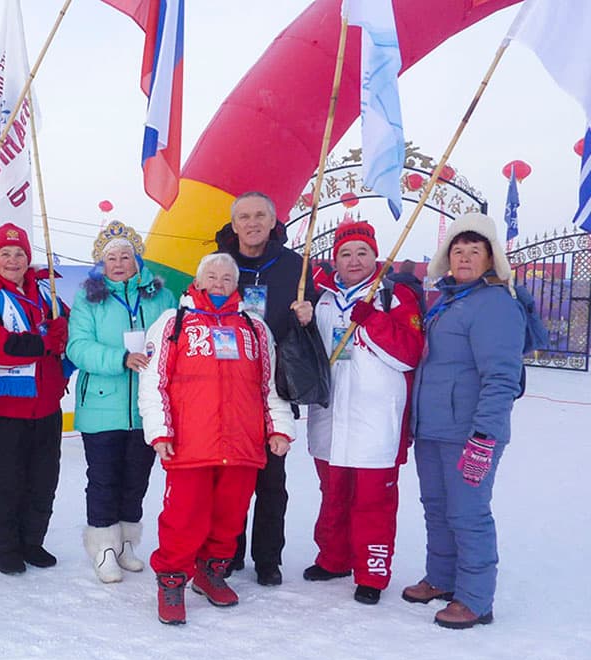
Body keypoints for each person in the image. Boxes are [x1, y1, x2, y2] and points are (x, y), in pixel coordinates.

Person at [138, 253, 295, 625]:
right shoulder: (173, 322)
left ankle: (211, 572)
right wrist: (159, 430)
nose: (219, 281)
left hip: (242, 441)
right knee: (183, 517)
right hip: (191, 442)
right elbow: (154, 383)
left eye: (227, 276)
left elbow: (268, 384)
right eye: (212, 274)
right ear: (199, 278)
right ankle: (172, 579)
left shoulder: (254, 327)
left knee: (229, 517)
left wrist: (279, 427)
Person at [404, 213, 525, 629]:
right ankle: (441, 578)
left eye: (475, 251)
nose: (466, 257)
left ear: (491, 258)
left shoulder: (495, 303)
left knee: (468, 513)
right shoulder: (450, 300)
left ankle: (475, 598)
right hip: (434, 428)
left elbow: (501, 377)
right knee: (436, 509)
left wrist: (484, 435)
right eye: (458, 250)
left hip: (469, 433)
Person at [304, 221, 423, 605]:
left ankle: (371, 572)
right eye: (345, 254)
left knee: (373, 501)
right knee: (333, 492)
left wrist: (371, 318)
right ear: (334, 259)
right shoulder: (321, 296)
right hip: (330, 415)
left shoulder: (394, 296)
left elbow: (409, 353)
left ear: (375, 256)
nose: (354, 261)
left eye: (362, 253)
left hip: (376, 420)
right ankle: (334, 558)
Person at [215, 190, 316, 586]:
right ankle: (228, 551)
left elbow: (319, 328)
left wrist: (307, 319)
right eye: (244, 216)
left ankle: (268, 558)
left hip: (274, 389)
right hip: (228, 390)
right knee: (229, 478)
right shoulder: (219, 265)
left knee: (272, 482)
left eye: (260, 216)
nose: (252, 223)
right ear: (234, 223)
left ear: (274, 222)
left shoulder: (296, 267)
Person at [66, 221, 176, 583]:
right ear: (101, 262)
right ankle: (104, 549)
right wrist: (119, 358)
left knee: (136, 480)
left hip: (145, 407)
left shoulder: (160, 296)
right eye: (111, 257)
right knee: (103, 479)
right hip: (101, 405)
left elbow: (174, 338)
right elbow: (77, 347)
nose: (118, 262)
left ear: (136, 259)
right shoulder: (89, 297)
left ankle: (127, 543)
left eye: (125, 255)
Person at [0, 223, 69, 575]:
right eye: (4, 253)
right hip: (4, 408)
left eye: (19, 253)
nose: (12, 259)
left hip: (47, 404)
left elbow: (68, 330)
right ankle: (2, 545)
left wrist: (62, 333)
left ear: (28, 258)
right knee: (6, 480)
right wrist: (45, 344)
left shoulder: (45, 293)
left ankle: (32, 540)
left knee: (43, 479)